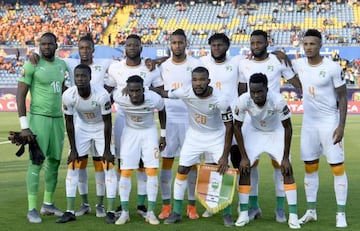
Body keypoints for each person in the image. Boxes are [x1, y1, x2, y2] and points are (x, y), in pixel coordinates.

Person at [28, 34, 114, 218]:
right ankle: (83, 204)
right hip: (80, 121)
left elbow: (124, 70)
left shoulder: (105, 62)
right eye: (81, 48)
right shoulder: (70, 63)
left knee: (101, 164)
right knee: (78, 164)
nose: (84, 51)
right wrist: (34, 53)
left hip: (99, 121)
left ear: (93, 49)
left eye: (87, 47)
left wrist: (111, 91)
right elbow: (47, 52)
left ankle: (100, 205)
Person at [152, 66, 235, 227]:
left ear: (208, 81)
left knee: (224, 171)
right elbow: (164, 93)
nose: (198, 83)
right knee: (182, 169)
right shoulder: (186, 91)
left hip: (216, 136)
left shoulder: (221, 100)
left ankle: (227, 214)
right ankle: (176, 212)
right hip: (194, 136)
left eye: (202, 80)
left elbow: (229, 126)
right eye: (195, 80)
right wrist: (147, 86)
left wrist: (225, 155)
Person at [236, 29, 302, 222]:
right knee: (249, 166)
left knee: (281, 166)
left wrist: (282, 53)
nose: (255, 46)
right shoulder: (244, 63)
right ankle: (252, 207)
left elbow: (297, 81)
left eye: (259, 43)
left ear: (267, 43)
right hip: (252, 122)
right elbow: (241, 89)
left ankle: (281, 209)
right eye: (253, 43)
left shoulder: (277, 60)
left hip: (275, 120)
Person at [292, 29, 348, 228]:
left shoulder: (332, 67)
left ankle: (340, 214)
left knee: (337, 167)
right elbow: (279, 63)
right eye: (305, 44)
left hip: (329, 123)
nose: (308, 47)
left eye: (312, 44)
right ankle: (311, 211)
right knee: (310, 167)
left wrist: (341, 126)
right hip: (309, 125)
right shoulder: (298, 64)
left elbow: (342, 97)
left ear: (320, 45)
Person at [105, 34, 164, 217]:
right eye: (128, 45)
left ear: (141, 48)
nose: (131, 47)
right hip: (124, 121)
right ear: (124, 48)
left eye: (135, 45)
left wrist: (160, 60)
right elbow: (107, 90)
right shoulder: (115, 68)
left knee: (143, 164)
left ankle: (141, 204)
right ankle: (122, 206)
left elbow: (159, 91)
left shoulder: (151, 68)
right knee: (124, 164)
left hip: (145, 121)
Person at [16, 32, 67, 223]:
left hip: (57, 120)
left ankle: (48, 204)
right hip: (39, 120)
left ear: (56, 45)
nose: (46, 47)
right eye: (43, 44)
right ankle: (31, 209)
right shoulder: (32, 64)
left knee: (54, 162)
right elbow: (20, 95)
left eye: (49, 44)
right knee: (36, 162)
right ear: (39, 46)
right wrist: (24, 126)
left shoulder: (62, 65)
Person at [57, 64, 118, 224]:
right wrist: (73, 149)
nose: (80, 79)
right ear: (73, 78)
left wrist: (106, 150)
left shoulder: (102, 95)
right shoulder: (68, 95)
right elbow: (69, 123)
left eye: (84, 76)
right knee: (73, 165)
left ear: (90, 78)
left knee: (108, 165)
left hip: (100, 128)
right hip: (82, 127)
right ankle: (70, 211)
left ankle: (110, 210)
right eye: (77, 76)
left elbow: (107, 122)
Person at [157, 28, 202, 220]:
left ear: (186, 43)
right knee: (166, 163)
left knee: (191, 164)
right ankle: (166, 205)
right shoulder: (163, 66)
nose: (177, 45)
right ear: (170, 44)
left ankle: (191, 205)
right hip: (170, 121)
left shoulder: (195, 65)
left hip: (191, 121)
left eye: (180, 42)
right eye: (174, 42)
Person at [112, 75, 166, 225]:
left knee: (151, 171)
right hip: (130, 133)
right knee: (126, 171)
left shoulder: (154, 99)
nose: (134, 94)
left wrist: (163, 135)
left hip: (148, 133)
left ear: (144, 90)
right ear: (127, 91)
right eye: (131, 91)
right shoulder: (120, 97)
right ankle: (124, 212)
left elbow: (162, 110)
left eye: (138, 91)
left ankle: (150, 212)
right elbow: (111, 95)